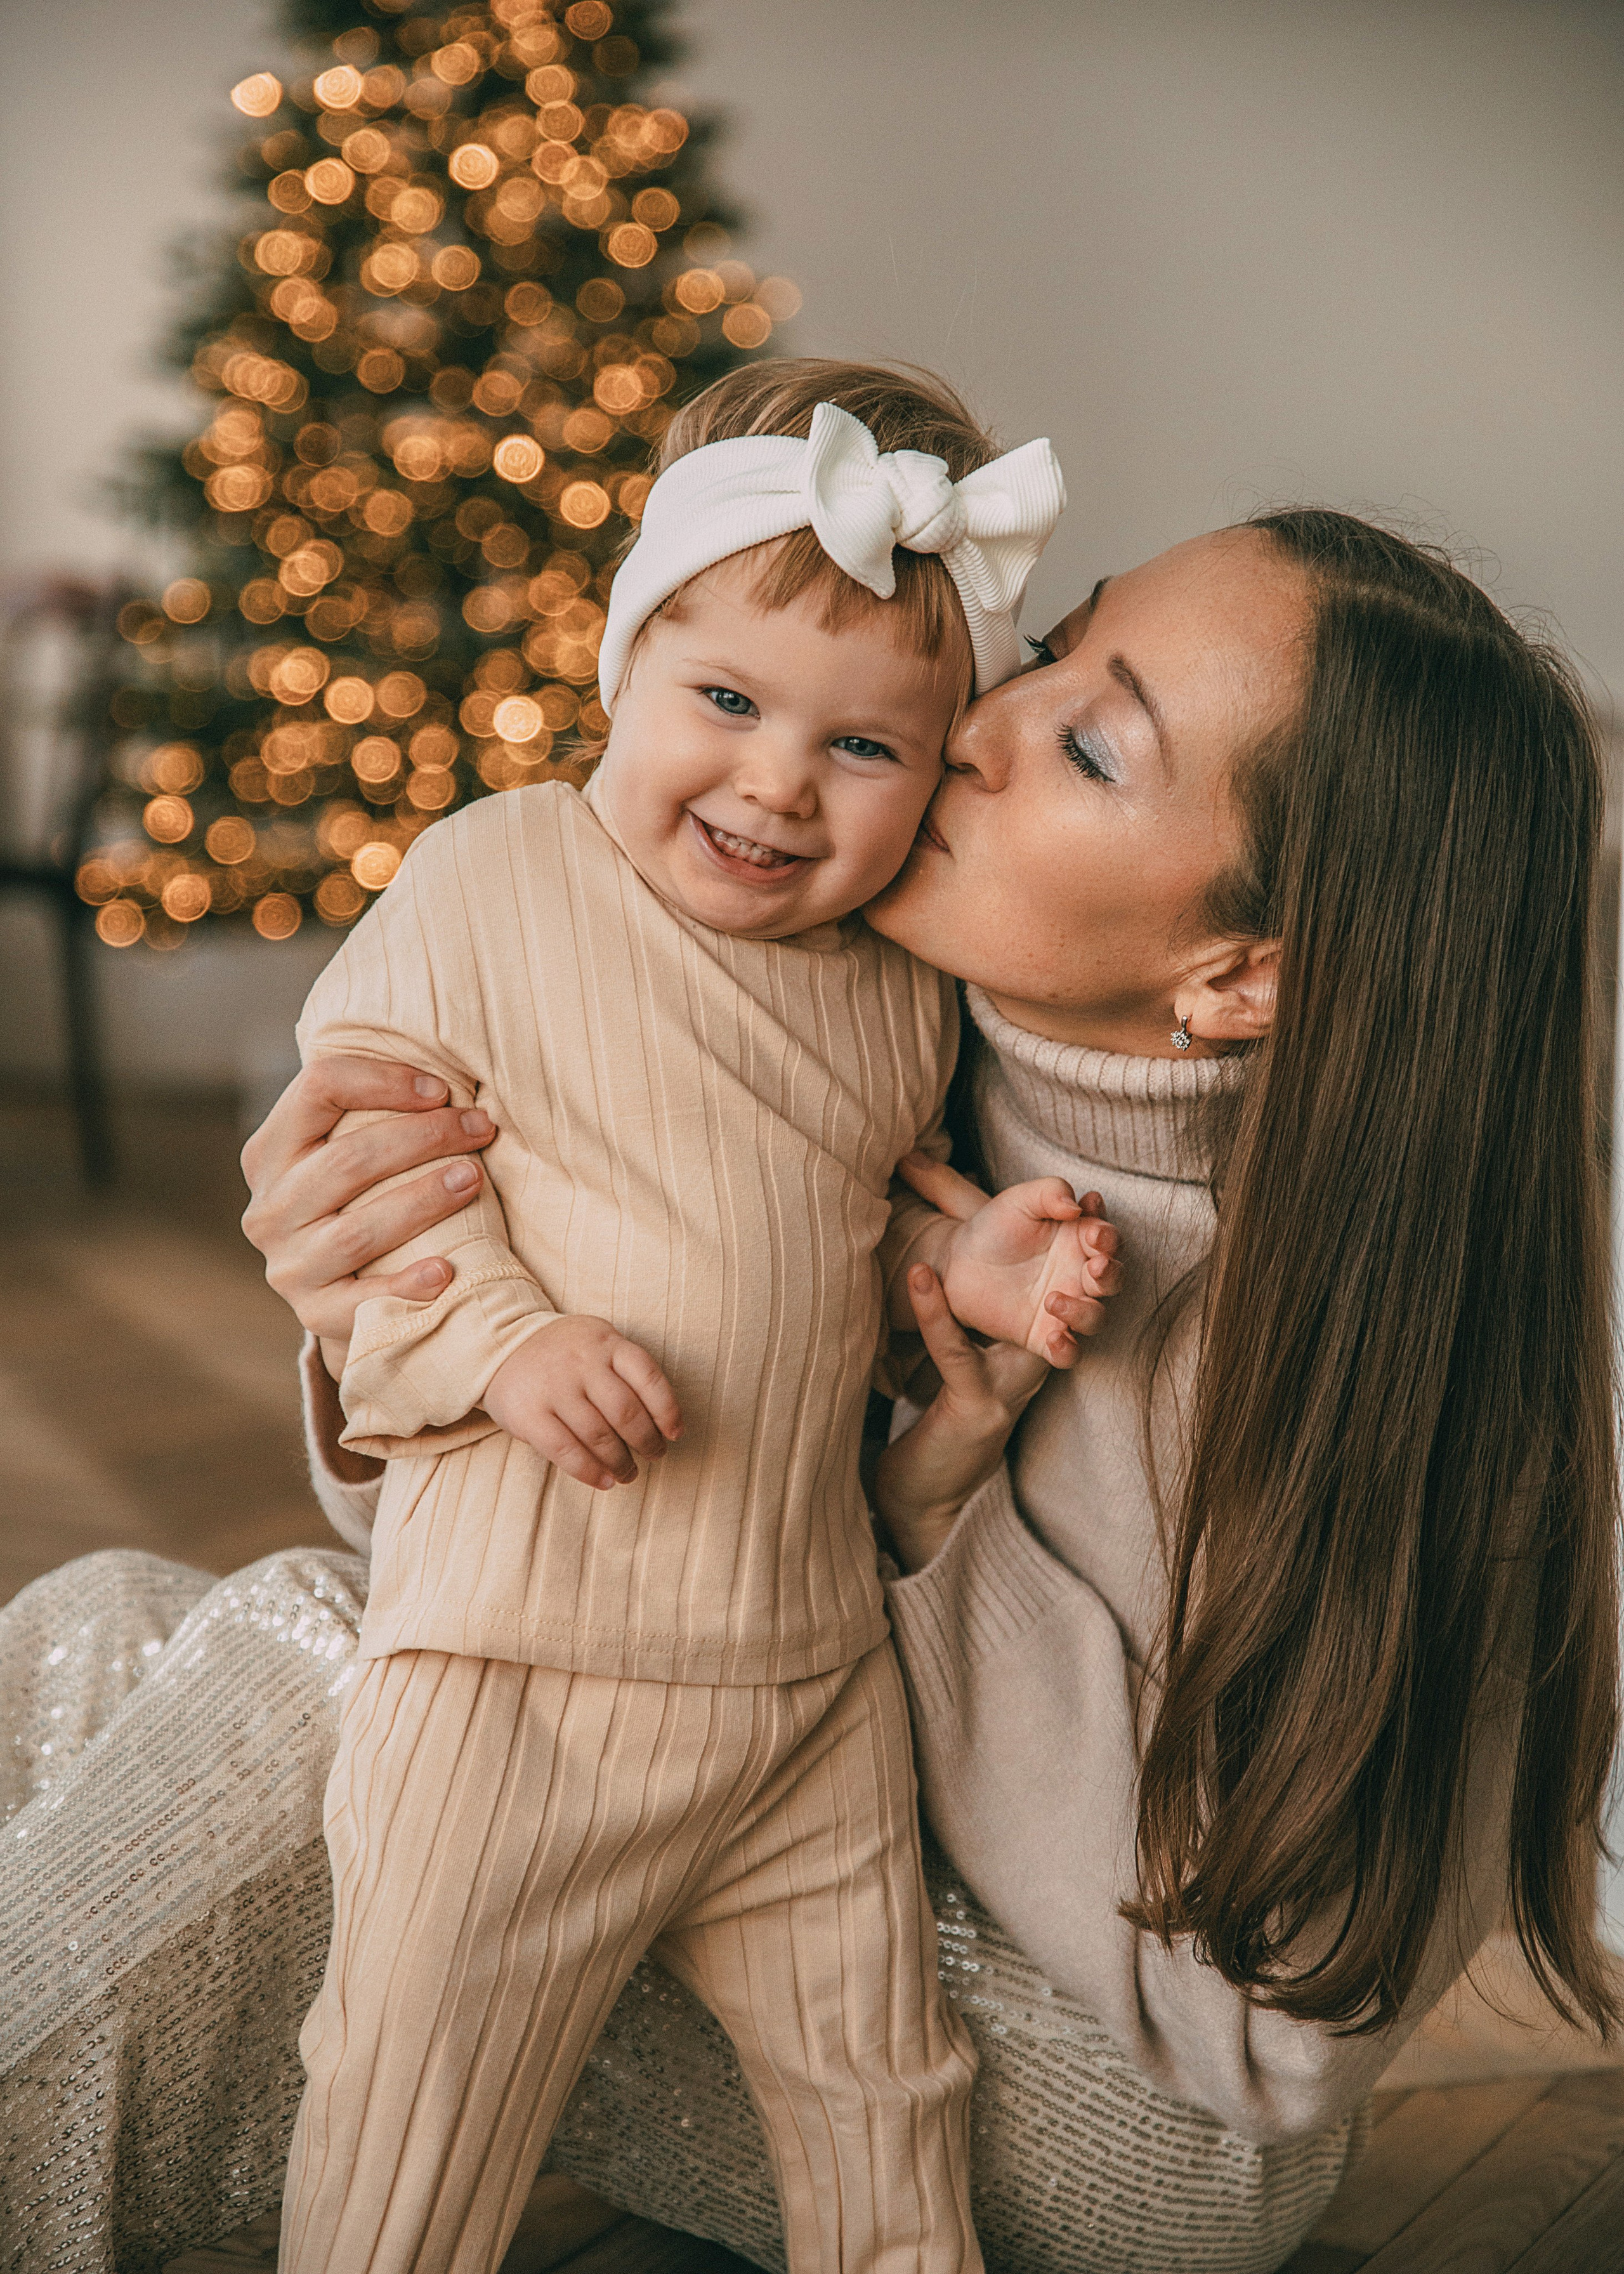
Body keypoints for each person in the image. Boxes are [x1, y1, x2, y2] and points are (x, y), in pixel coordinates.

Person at [1, 504, 1614, 2274]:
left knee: (315, 1683)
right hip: (757, 1774)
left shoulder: (1413, 1361)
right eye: (1057, 639)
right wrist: (392, 1319)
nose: (983, 720)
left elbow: (1273, 2041)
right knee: (100, 1633)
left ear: (1247, 974)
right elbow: (576, 1535)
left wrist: (922, 1524)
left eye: (1087, 742)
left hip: (1136, 2114)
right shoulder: (877, 1036)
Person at [278, 358, 1104, 2274]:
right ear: (624, 668)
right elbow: (366, 1154)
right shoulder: (495, 875)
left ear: (938, 769)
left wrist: (979, 1275)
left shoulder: (897, 991)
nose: (771, 785)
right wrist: (501, 1338)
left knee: (887, 2101)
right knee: (417, 2099)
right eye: (724, 700)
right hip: (519, 1666)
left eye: (864, 750)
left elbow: (870, 1241)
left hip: (806, 1670)